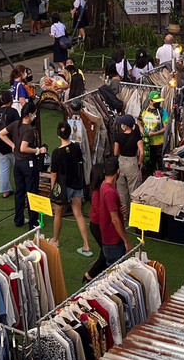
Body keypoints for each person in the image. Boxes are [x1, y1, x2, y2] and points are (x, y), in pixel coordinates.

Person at [0, 103, 46, 228]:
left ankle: (18, 219)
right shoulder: (29, 129)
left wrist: (12, 145)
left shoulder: (15, 124)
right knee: (31, 192)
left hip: (18, 164)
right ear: (30, 115)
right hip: (28, 164)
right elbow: (24, 148)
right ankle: (33, 223)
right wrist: (37, 150)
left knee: (20, 192)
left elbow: (1, 134)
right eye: (34, 113)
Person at [49, 121, 93, 256]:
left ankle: (55, 239)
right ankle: (86, 245)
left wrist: (53, 190)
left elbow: (53, 175)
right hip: (76, 184)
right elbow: (80, 164)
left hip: (63, 186)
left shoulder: (56, 153)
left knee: (58, 214)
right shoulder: (76, 148)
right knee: (78, 214)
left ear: (58, 135)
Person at [95, 162, 130, 266]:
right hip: (113, 241)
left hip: (109, 239)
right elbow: (115, 220)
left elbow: (110, 207)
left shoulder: (104, 185)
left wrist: (120, 207)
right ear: (118, 171)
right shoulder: (110, 191)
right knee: (116, 272)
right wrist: (126, 241)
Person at [82, 162, 109, 283]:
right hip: (97, 225)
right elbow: (100, 211)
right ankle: (90, 274)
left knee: (105, 251)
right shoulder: (96, 192)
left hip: (98, 224)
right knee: (105, 251)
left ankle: (96, 274)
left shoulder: (98, 190)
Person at [0, 91, 19, 199]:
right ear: (10, 101)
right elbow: (18, 126)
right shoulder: (12, 111)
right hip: (12, 143)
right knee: (19, 167)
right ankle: (22, 188)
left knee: (3, 168)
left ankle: (5, 191)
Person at [113, 114, 144, 212]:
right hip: (132, 163)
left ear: (125, 125)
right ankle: (133, 214)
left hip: (121, 162)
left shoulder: (119, 137)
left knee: (121, 190)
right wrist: (140, 162)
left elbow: (115, 152)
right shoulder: (136, 137)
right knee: (134, 190)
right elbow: (142, 152)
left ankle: (123, 214)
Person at [139, 91, 168, 172]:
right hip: (146, 143)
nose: (158, 102)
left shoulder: (163, 112)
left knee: (159, 164)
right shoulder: (144, 110)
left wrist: (155, 133)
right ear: (150, 101)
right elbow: (139, 121)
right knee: (147, 164)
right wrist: (141, 129)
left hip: (158, 144)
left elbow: (166, 127)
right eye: (156, 101)